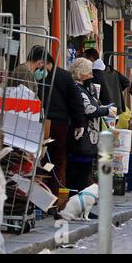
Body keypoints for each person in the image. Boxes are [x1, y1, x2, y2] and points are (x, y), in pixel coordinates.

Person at [37, 52, 86, 197]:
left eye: (40, 64)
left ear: (46, 62)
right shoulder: (61, 76)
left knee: (52, 160)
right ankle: (50, 195)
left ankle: (52, 195)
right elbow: (76, 101)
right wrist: (79, 123)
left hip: (54, 124)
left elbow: (76, 101)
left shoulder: (62, 76)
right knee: (51, 160)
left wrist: (79, 123)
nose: (38, 68)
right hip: (54, 123)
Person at [66, 58, 117, 192]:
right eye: (89, 73)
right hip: (83, 137)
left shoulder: (83, 89)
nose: (92, 76)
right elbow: (88, 109)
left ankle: (81, 206)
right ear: (81, 74)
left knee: (83, 172)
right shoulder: (78, 90)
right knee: (80, 173)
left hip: (88, 137)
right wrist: (106, 111)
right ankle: (77, 204)